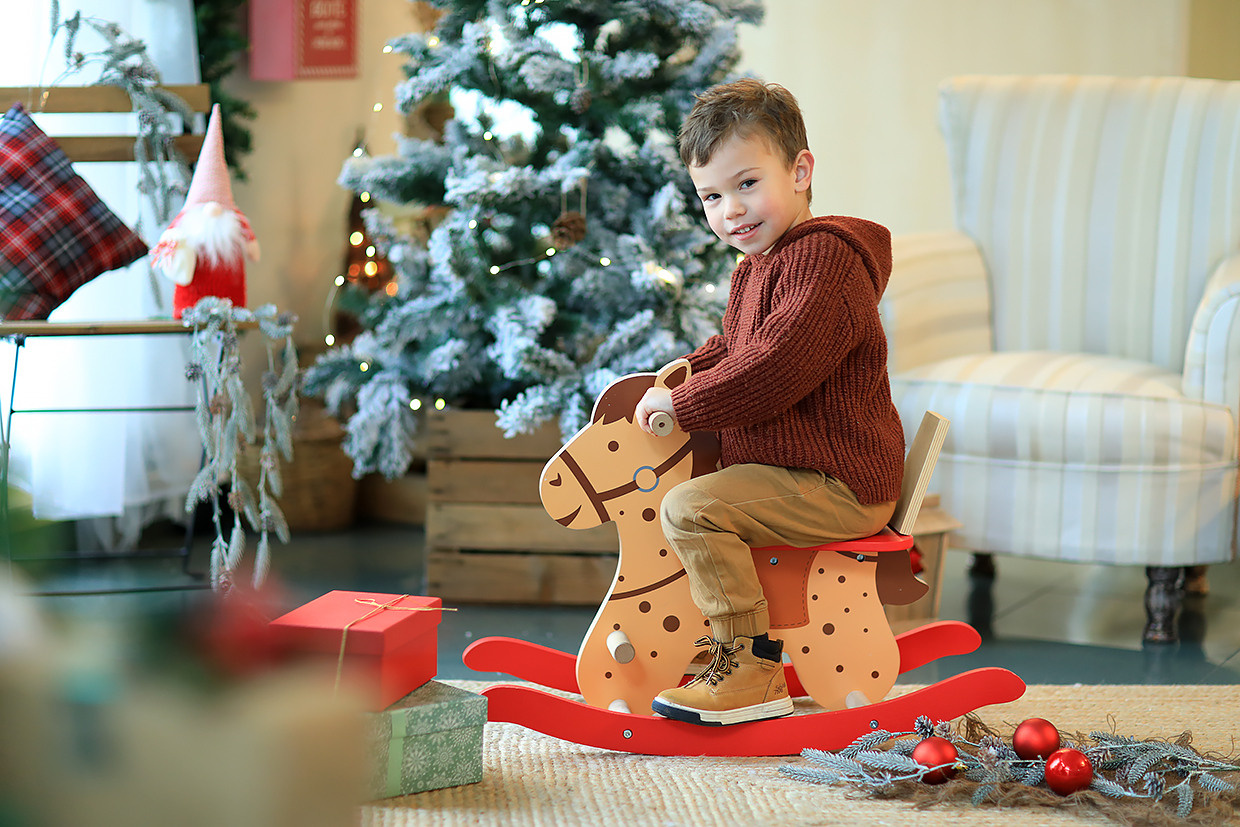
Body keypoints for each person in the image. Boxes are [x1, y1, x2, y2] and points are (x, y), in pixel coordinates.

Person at [633, 79, 906, 726]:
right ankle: (727, 651)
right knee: (697, 493)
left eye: (747, 184)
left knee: (691, 508)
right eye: (712, 196)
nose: (731, 210)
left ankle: (749, 667)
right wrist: (680, 373)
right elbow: (735, 344)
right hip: (799, 471)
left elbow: (775, 365)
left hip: (836, 480)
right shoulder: (760, 263)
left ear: (801, 170)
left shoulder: (823, 260)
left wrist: (687, 405)